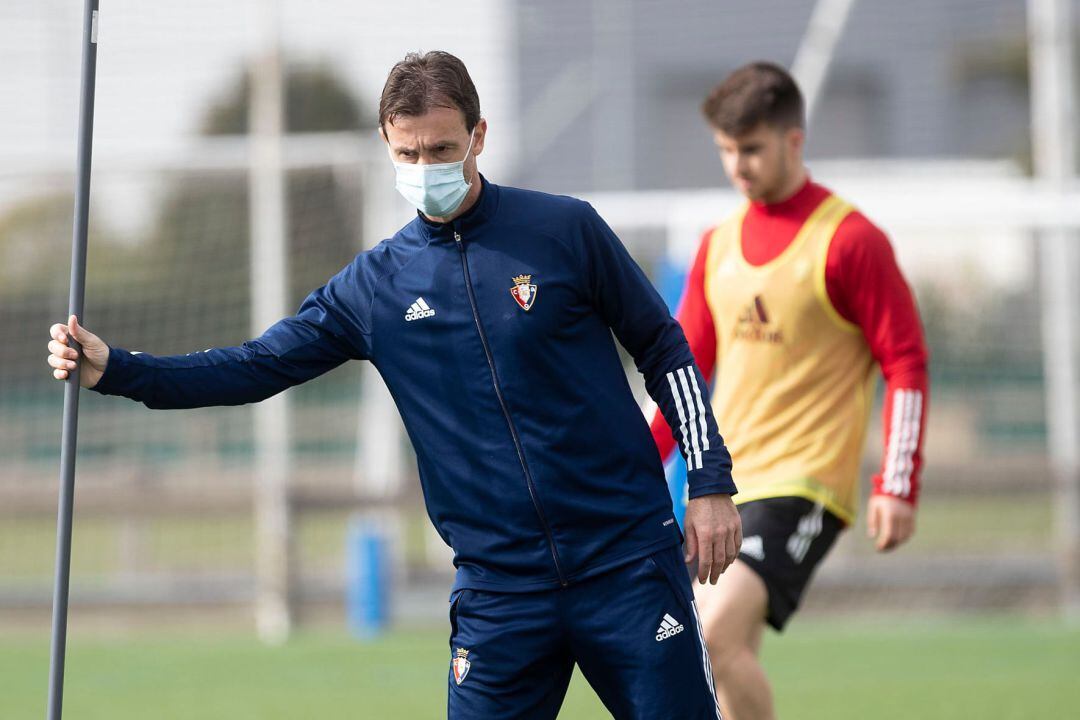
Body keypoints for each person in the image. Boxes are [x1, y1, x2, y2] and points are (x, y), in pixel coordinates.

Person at [48, 51, 740, 720]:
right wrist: (119, 368)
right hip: (500, 592)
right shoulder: (375, 288)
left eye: (441, 150)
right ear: (386, 144)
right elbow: (254, 366)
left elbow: (664, 347)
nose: (424, 168)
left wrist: (708, 479)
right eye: (407, 154)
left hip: (625, 566)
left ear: (478, 136)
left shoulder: (564, 230)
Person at [650, 62, 929, 720]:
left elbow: (906, 360)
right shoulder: (717, 246)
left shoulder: (850, 241)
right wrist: (634, 456)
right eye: (725, 150)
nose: (736, 166)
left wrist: (897, 481)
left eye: (750, 149)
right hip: (721, 488)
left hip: (804, 484)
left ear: (793, 141)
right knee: (710, 658)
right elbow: (681, 373)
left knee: (713, 638)